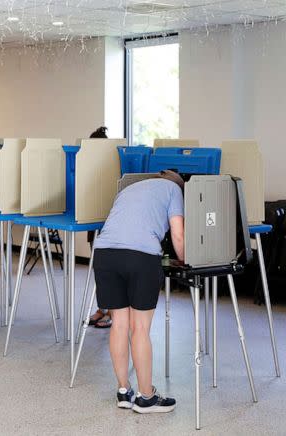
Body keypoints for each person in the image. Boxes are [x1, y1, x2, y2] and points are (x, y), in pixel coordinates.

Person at [92, 169, 184, 413]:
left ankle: (123, 391)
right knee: (140, 328)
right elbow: (178, 233)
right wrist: (185, 259)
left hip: (104, 254)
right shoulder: (174, 190)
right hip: (140, 257)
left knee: (119, 324)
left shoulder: (130, 188)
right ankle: (146, 397)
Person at [88, 126, 112, 328]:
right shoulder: (87, 166)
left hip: (110, 227)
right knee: (99, 270)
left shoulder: (113, 167)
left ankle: (113, 312)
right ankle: (101, 308)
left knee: (110, 271)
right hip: (93, 225)